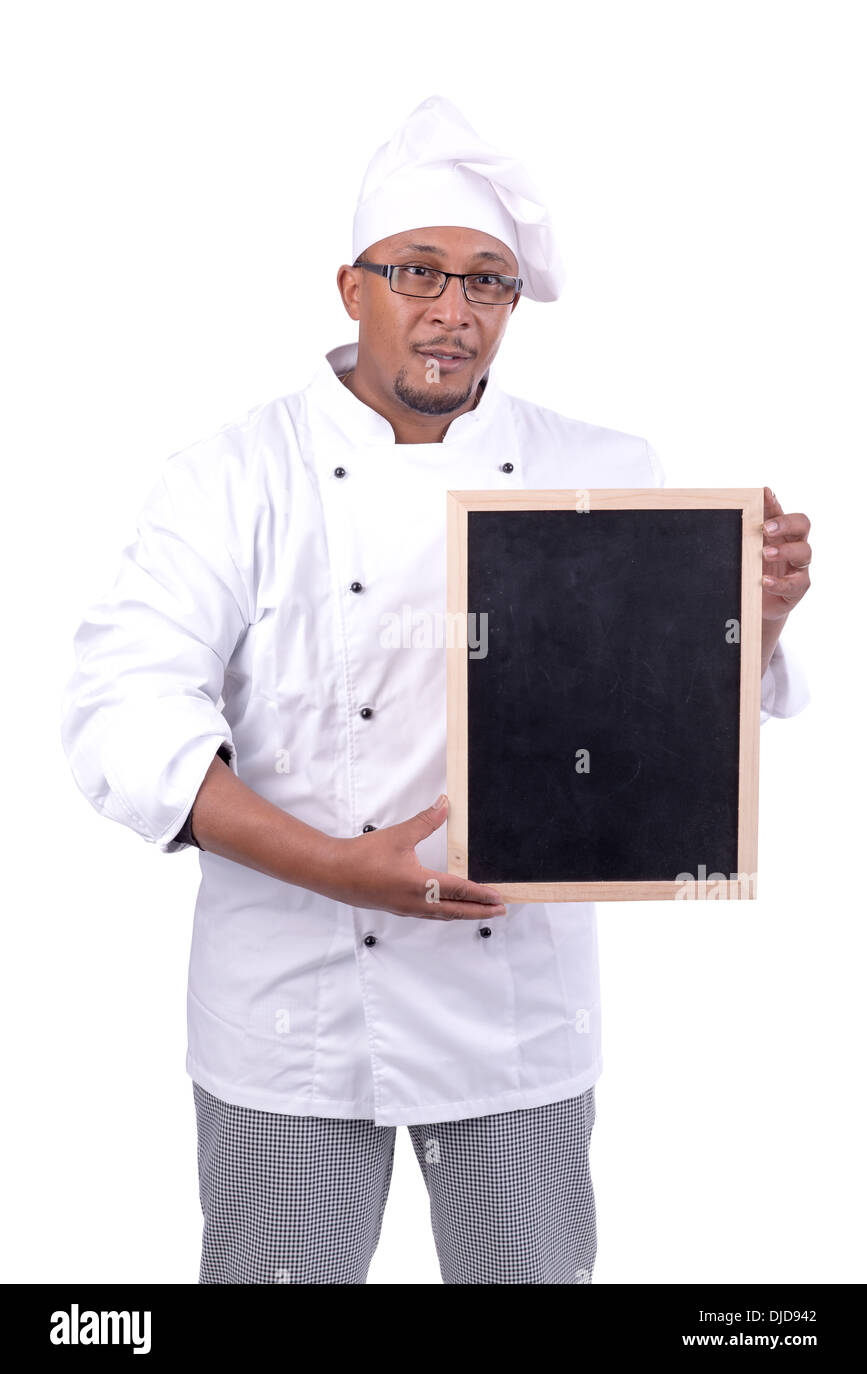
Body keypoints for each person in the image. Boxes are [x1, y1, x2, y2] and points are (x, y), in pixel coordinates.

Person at [59, 95, 812, 1285]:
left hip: (512, 1011)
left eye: (488, 283)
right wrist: (332, 863)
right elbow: (124, 715)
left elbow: (643, 734)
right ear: (350, 285)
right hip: (291, 1010)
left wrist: (743, 624)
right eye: (419, 271)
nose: (453, 313)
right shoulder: (227, 479)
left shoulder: (602, 470)